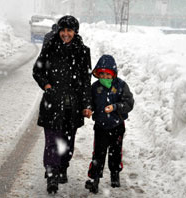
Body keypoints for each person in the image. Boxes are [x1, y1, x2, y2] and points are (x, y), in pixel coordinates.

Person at [32, 15, 92, 194]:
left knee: (67, 142)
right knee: (52, 141)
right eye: (63, 30)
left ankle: (63, 167)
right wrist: (47, 85)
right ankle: (51, 175)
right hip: (52, 103)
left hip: (72, 106)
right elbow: (37, 70)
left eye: (69, 30)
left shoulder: (82, 51)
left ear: (75, 32)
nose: (65, 34)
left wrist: (87, 104)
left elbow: (85, 81)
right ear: (58, 31)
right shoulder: (50, 47)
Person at [85, 55, 134, 194]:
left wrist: (116, 107)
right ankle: (95, 179)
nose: (105, 77)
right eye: (102, 74)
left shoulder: (121, 86)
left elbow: (129, 103)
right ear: (98, 74)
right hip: (101, 126)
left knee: (115, 152)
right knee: (98, 154)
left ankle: (115, 174)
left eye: (108, 74)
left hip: (117, 126)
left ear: (113, 74)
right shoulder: (95, 88)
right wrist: (88, 108)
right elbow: (90, 101)